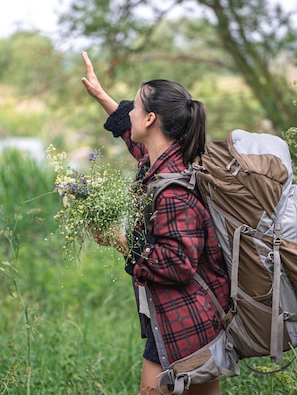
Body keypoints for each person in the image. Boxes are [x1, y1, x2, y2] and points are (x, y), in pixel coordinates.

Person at [80, 51, 231, 395]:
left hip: (183, 321)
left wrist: (120, 241)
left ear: (149, 119)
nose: (128, 112)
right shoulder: (164, 160)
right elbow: (133, 142)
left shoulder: (172, 189)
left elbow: (178, 264)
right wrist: (100, 95)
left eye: (133, 107)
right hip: (199, 318)